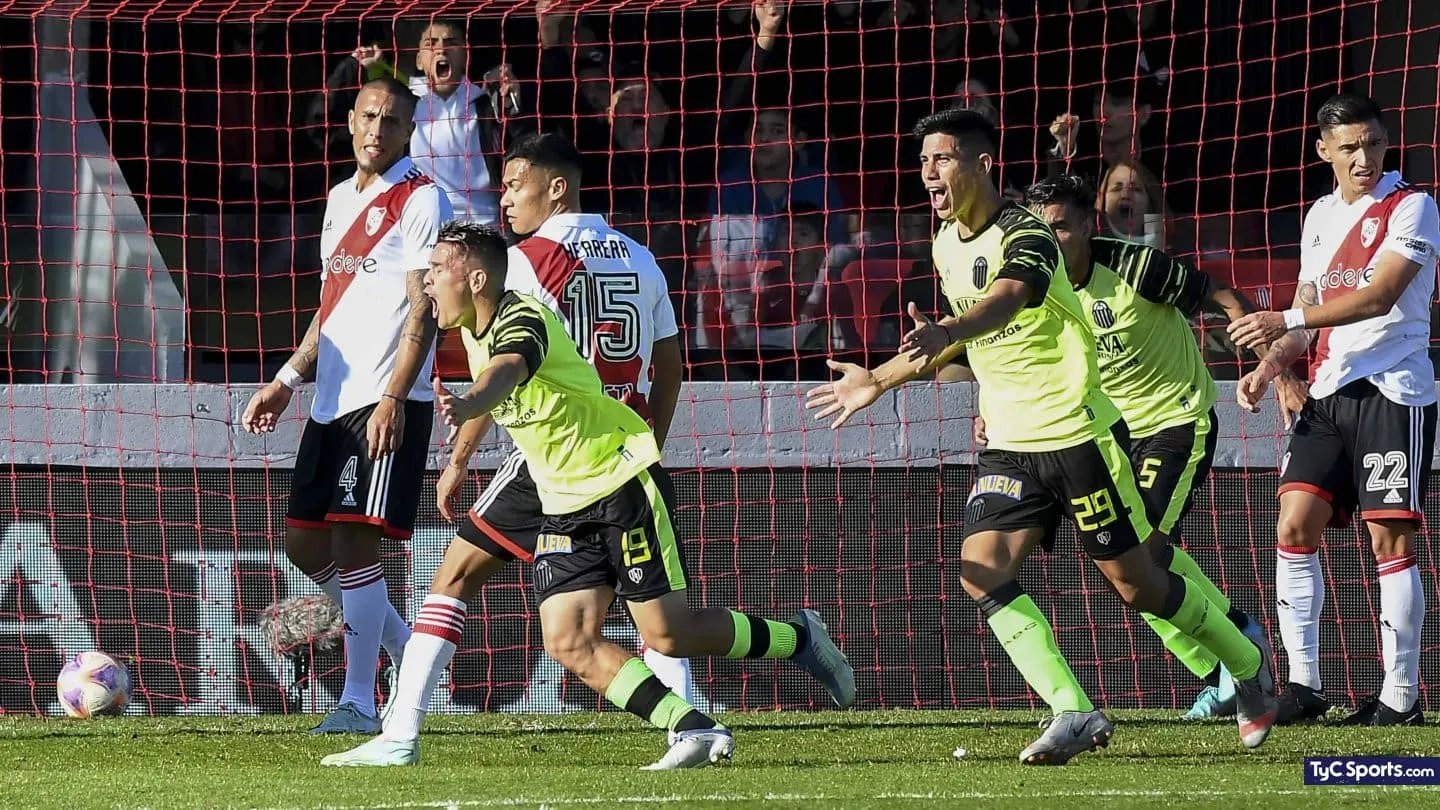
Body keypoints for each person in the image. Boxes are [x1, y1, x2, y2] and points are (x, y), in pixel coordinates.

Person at [805, 108, 1276, 764]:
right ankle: (1072, 709)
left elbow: (1008, 297)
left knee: (1137, 582)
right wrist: (878, 381)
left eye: (943, 159)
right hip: (1010, 442)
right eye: (924, 161)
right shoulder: (945, 244)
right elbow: (957, 334)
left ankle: (1246, 662)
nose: (929, 173)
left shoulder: (1028, 234)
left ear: (981, 165)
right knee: (980, 569)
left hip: (1078, 433)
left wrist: (950, 331)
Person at [403, 222, 854, 769]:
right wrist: (462, 447)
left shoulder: (522, 317)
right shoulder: (473, 330)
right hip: (562, 503)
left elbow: (508, 369)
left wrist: (472, 402)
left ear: (476, 279)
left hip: (619, 484)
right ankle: (694, 727)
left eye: (437, 269)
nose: (426, 281)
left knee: (669, 635)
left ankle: (797, 638)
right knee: (567, 639)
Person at [321, 132, 690, 767]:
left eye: (516, 183)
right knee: (646, 613)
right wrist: (649, 443)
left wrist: (460, 455)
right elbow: (671, 366)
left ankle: (400, 732)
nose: (506, 197)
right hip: (621, 449)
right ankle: (692, 723)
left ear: (557, 188)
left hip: (551, 450)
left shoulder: (520, 262)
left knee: (456, 576)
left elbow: (509, 366)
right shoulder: (641, 257)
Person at [1023, 174, 1305, 718]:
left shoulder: (1135, 267)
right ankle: (1224, 662)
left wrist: (1279, 374)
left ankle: (1237, 645)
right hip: (1108, 433)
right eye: (1038, 230)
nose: (1048, 241)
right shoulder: (1032, 287)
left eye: (1059, 228)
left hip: (1176, 420)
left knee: (1142, 549)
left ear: (1087, 225)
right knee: (1124, 565)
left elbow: (1226, 298)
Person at [242, 76, 453, 733]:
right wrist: (287, 378)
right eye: (368, 116)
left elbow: (424, 309)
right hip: (332, 398)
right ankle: (404, 648)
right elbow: (331, 306)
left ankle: (360, 702)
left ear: (409, 131)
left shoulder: (422, 198)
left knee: (357, 546)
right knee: (304, 542)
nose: (376, 130)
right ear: (351, 120)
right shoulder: (339, 199)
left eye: (391, 121)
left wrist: (394, 395)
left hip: (383, 399)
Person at [1229, 92, 1440, 726]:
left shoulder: (1413, 206)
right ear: (1324, 151)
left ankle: (1401, 696)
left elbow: (1378, 297)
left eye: (1373, 143)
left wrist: (1286, 318)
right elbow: (1308, 315)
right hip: (1327, 393)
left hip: (1392, 390)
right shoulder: (1320, 215)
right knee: (1293, 525)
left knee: (1388, 538)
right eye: (1349, 147)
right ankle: (1304, 685)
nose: (1363, 158)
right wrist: (1270, 367)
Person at [308, 18, 530, 223]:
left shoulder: (488, 104)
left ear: (465, 56)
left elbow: (528, 153)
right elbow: (320, 129)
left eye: (451, 43)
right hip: (419, 225)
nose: (441, 49)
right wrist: (352, 67)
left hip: (484, 227)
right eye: (431, 44)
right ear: (419, 60)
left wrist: (514, 111)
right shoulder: (399, 106)